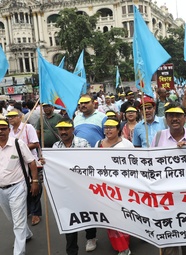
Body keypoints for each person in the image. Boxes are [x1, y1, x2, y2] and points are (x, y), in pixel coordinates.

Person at [151, 102, 186, 255]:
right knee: (169, 242)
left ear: (185, 118)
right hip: (166, 199)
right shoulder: (158, 136)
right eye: (171, 115)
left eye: (178, 115)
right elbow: (152, 164)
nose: (174, 119)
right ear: (166, 118)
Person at [52, 118, 93, 255]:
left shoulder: (83, 143)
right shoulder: (55, 147)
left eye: (66, 129)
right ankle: (71, 251)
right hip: (65, 190)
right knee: (69, 220)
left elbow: (90, 163)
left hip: (83, 188)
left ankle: (91, 237)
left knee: (88, 215)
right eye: (60, 129)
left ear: (72, 130)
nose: (63, 132)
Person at [73, 94, 107, 251]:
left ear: (94, 103)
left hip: (101, 164)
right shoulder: (76, 118)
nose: (83, 106)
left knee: (107, 198)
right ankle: (91, 237)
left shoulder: (102, 116)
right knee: (87, 200)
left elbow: (110, 136)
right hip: (81, 165)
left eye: (86, 103)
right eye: (80, 104)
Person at [0, 118, 39, 255]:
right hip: (1, 190)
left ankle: (19, 252)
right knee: (13, 218)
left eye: (3, 128)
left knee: (18, 222)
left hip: (18, 187)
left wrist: (35, 181)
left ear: (8, 130)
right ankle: (26, 234)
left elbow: (32, 162)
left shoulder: (18, 143)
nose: (1, 131)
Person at [95, 119, 133, 255]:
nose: (108, 130)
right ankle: (120, 246)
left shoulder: (126, 144)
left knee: (122, 215)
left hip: (123, 187)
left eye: (111, 127)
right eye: (106, 127)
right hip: (104, 187)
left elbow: (134, 165)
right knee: (110, 217)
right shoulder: (98, 144)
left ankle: (124, 247)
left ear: (118, 129)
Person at [7, 109, 43, 226]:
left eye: (13, 116)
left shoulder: (28, 127)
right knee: (23, 187)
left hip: (31, 162)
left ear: (20, 117)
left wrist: (20, 148)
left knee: (35, 188)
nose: (11, 119)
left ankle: (36, 213)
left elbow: (35, 143)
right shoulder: (10, 131)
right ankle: (28, 209)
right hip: (17, 164)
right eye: (9, 117)